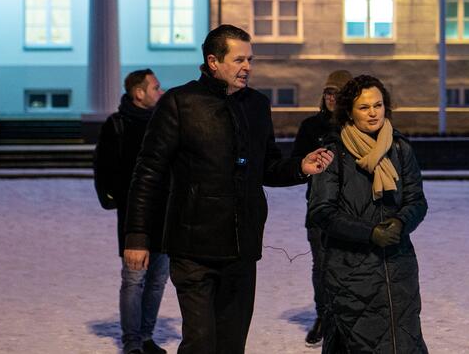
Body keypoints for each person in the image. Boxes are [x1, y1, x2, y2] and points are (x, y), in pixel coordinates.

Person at [123, 24, 334, 354]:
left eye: (250, 59)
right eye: (239, 60)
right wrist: (137, 236)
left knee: (232, 345)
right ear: (213, 61)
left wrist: (300, 167)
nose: (247, 66)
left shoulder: (257, 105)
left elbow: (267, 167)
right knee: (201, 344)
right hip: (192, 248)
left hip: (241, 248)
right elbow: (148, 172)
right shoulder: (180, 103)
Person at [309, 75, 429, 353]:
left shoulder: (399, 148)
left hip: (398, 268)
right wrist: (369, 233)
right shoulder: (333, 153)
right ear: (348, 111)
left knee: (403, 343)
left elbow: (417, 200)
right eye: (364, 107)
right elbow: (321, 211)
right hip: (351, 271)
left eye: (378, 105)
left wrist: (401, 222)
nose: (373, 113)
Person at [93, 69, 168, 354]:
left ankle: (146, 336)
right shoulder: (117, 124)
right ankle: (132, 341)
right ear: (140, 93)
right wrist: (118, 199)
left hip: (164, 215)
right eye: (156, 88)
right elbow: (104, 168)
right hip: (133, 218)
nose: (160, 92)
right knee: (134, 279)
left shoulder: (164, 123)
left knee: (158, 279)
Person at [291, 69, 352, 347]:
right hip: (318, 208)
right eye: (328, 92)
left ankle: (348, 319)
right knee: (322, 266)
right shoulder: (311, 127)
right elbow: (296, 164)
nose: (331, 97)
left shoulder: (356, 127)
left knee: (352, 265)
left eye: (337, 93)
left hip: (352, 210)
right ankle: (324, 317)